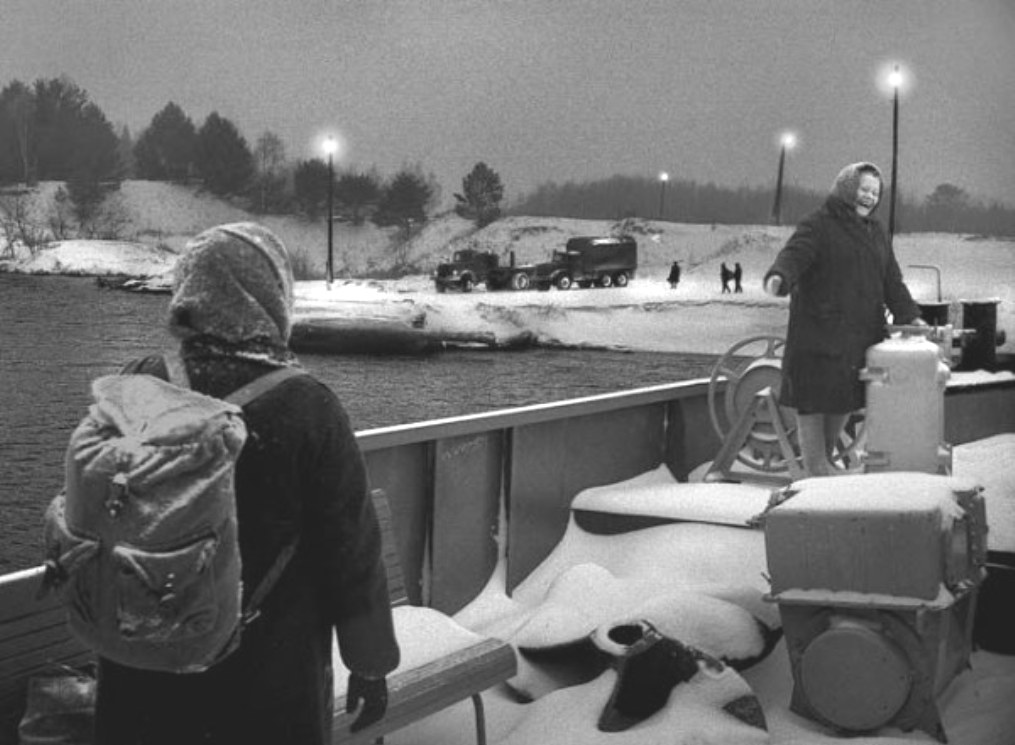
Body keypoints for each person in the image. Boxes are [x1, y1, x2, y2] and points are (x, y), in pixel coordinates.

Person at [93, 223, 400, 745]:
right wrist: (370, 663)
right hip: (266, 677)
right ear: (272, 298)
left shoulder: (137, 382)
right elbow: (351, 552)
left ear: (189, 292)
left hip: (140, 668)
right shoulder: (308, 407)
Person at [762, 162, 925, 477]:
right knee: (813, 398)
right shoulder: (819, 224)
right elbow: (794, 254)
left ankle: (822, 463)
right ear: (847, 189)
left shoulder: (876, 232)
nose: (869, 197)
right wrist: (780, 276)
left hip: (861, 334)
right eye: (864, 189)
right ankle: (815, 466)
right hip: (819, 332)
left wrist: (910, 315)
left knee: (845, 397)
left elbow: (891, 280)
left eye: (875, 192)